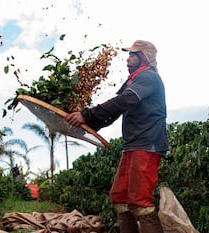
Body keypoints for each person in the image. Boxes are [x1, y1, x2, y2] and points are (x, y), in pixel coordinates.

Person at [65, 40, 169, 233]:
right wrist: (88, 123)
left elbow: (122, 101)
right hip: (132, 145)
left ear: (143, 57)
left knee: (140, 201)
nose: (127, 60)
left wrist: (86, 114)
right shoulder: (135, 80)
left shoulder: (148, 77)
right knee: (119, 197)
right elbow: (115, 112)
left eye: (132, 55)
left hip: (147, 144)